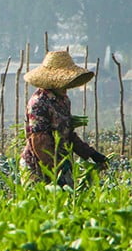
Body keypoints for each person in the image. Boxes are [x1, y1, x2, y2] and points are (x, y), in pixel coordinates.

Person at [20, 51, 107, 187]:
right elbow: (39, 141)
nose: (67, 86)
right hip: (39, 166)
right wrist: (54, 172)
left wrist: (91, 153)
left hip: (62, 163)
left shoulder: (64, 101)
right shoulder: (39, 103)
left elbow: (68, 134)